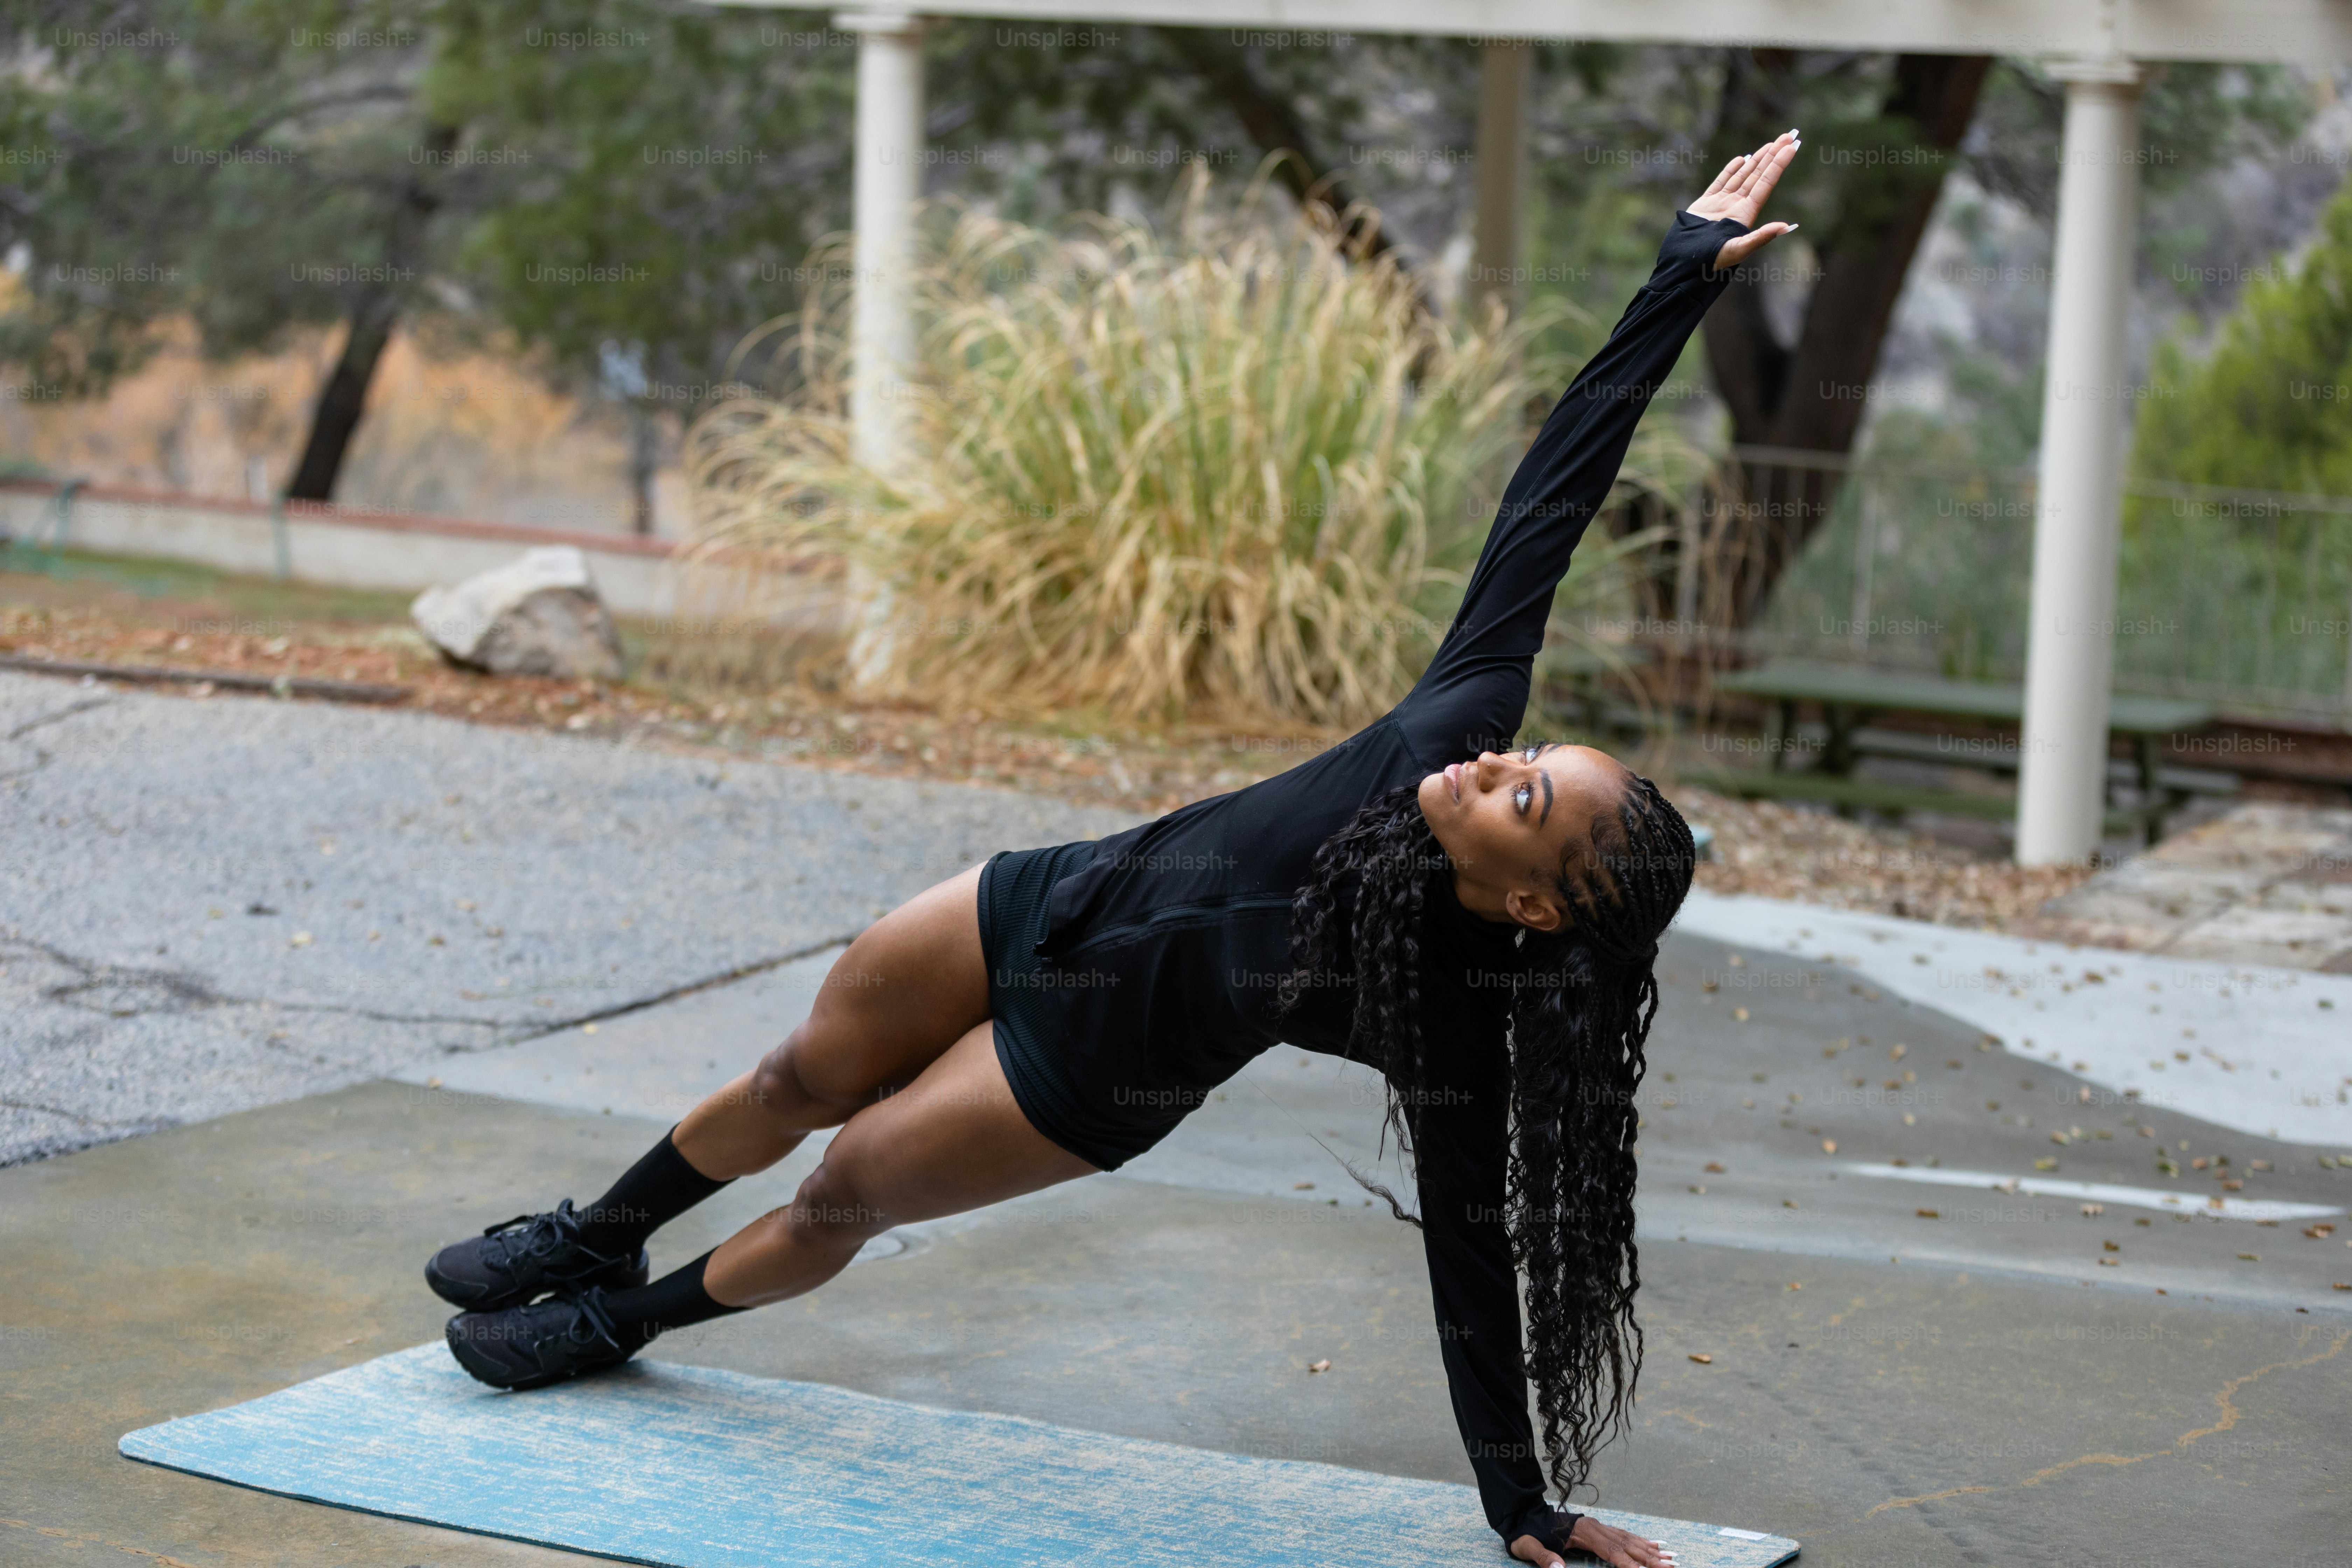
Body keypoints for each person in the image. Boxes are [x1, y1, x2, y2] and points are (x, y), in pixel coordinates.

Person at [425, 132, 1800, 1568]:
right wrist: (1676, 278)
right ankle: (592, 1234)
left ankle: (613, 1326)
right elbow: (1554, 498)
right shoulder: (1449, 723)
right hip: (1044, 901)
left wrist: (1520, 1502)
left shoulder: (1450, 1015)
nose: (1502, 760)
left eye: (1528, 798)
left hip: (1074, 1082)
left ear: (1528, 901)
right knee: (794, 1075)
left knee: (840, 1189)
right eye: (1535, 753)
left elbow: (1473, 1255)